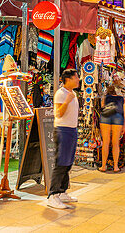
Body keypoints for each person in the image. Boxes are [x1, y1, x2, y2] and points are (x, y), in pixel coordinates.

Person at [48, 69, 80, 209]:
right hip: (63, 130)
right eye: (76, 78)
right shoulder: (61, 94)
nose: (78, 80)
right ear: (68, 79)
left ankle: (62, 191)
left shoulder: (72, 93)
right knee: (61, 162)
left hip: (72, 130)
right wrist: (66, 102)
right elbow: (58, 114)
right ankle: (52, 195)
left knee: (68, 162)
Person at [97, 78, 125, 172]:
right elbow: (123, 110)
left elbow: (102, 106)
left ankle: (103, 166)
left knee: (105, 142)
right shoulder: (121, 98)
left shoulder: (105, 97)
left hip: (106, 117)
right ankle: (116, 167)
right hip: (118, 117)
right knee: (115, 143)